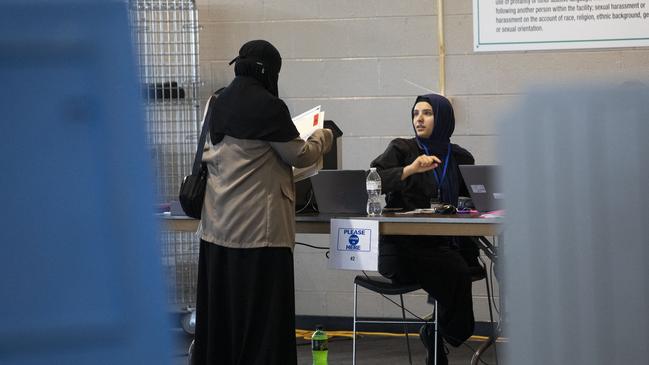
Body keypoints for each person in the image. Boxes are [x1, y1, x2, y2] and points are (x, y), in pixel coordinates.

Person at [192, 40, 333, 365]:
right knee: (262, 322)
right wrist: (321, 136)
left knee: (224, 318)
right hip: (260, 234)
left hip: (216, 231)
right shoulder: (269, 106)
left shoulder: (217, 102)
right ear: (269, 71)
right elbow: (299, 154)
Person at [370, 93, 476, 365]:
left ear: (442, 119)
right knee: (455, 271)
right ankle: (437, 331)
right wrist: (409, 170)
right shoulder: (402, 149)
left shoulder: (460, 156)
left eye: (427, 113)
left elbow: (472, 199)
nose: (419, 118)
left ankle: (435, 334)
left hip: (444, 244)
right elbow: (373, 181)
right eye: (416, 113)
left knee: (460, 266)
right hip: (403, 249)